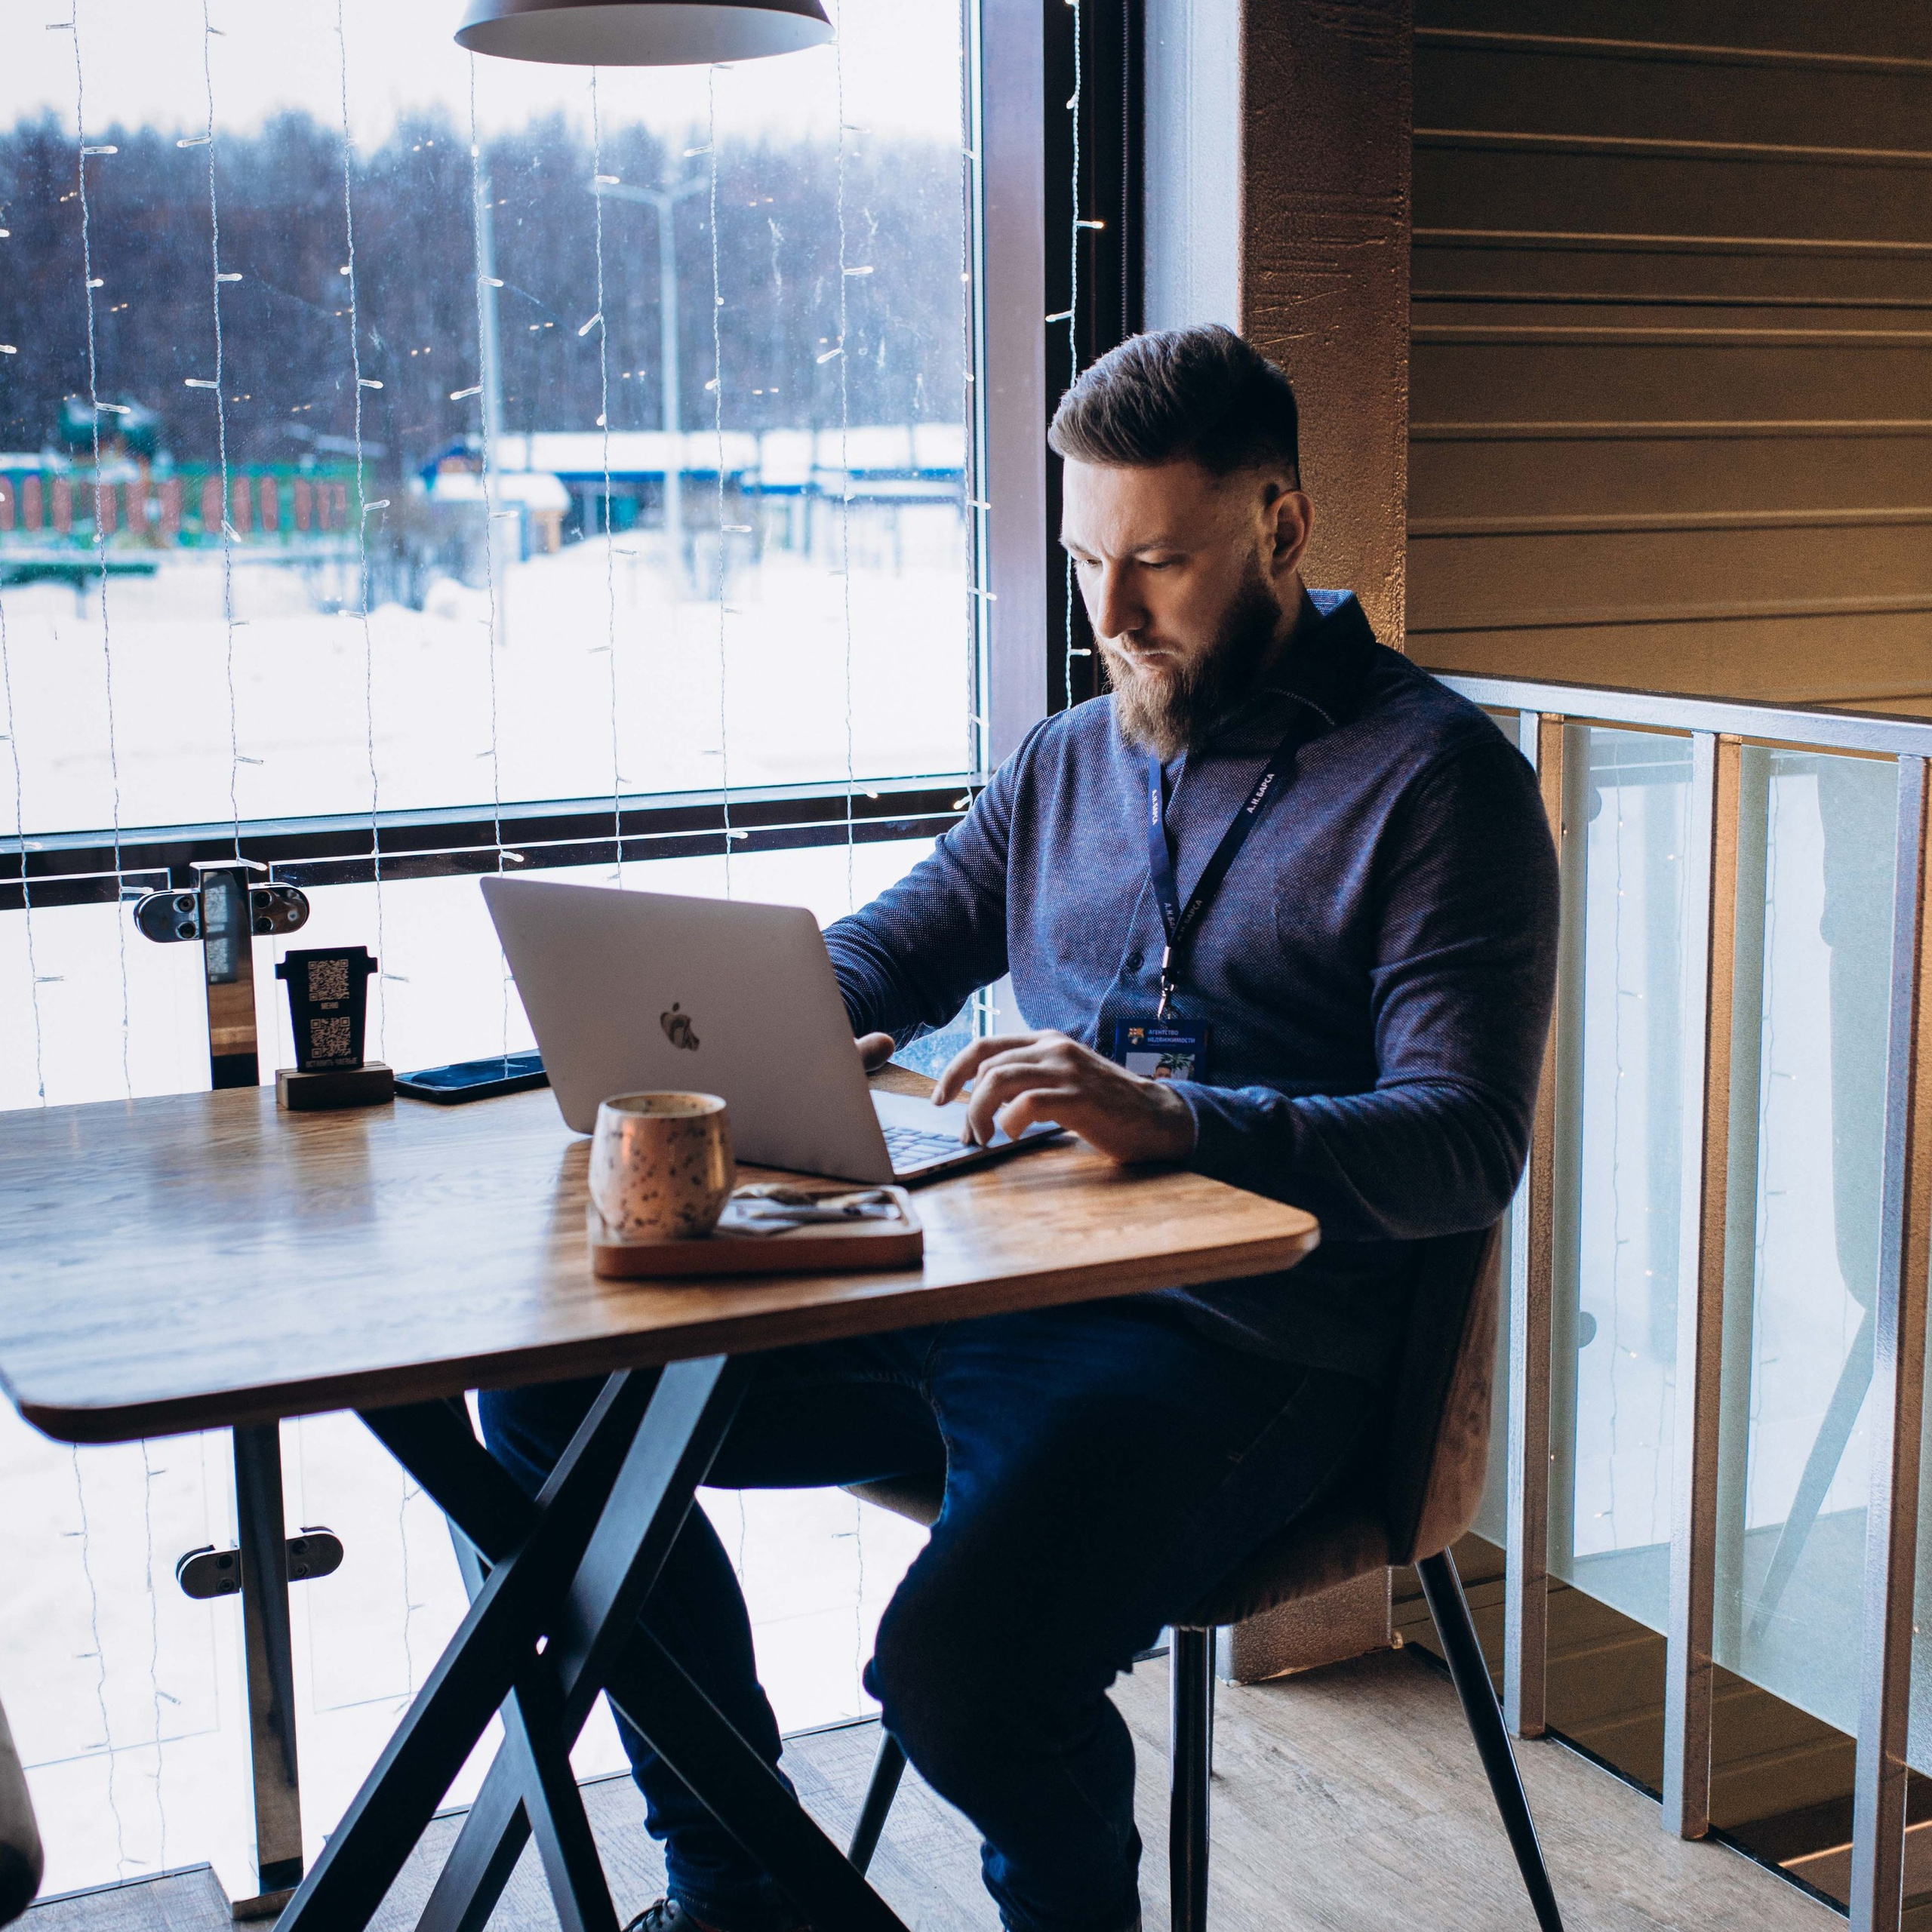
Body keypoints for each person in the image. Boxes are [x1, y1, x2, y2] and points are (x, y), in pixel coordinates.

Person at [482, 324, 1560, 1932]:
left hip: (1247, 1350)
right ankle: (742, 1892)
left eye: (1159, 564)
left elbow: (1459, 1143)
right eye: (1081, 561)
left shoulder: (1432, 783)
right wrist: (779, 1013)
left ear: (1280, 526)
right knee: (545, 1406)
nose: (1110, 615)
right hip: (983, 1295)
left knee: (957, 1673)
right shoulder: (1068, 757)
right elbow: (889, 947)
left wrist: (1175, 1114)